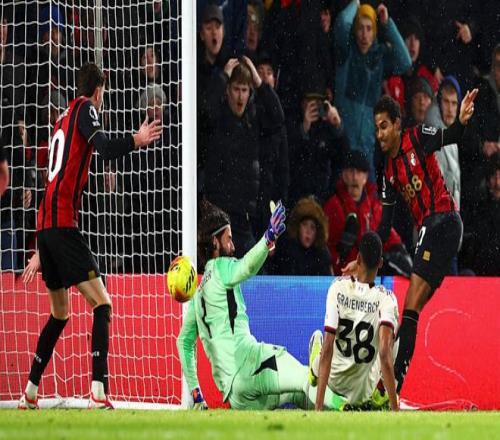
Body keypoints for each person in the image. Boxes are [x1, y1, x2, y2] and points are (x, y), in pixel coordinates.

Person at [17, 63, 162, 410]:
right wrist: (136, 140)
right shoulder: (86, 108)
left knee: (60, 314)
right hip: (62, 225)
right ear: (98, 91)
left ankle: (30, 393)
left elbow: (60, 174)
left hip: (47, 227)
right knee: (103, 303)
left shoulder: (62, 119)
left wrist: (42, 246)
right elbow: (106, 148)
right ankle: (98, 391)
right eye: (103, 93)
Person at [357, 90, 477, 397]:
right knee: (410, 313)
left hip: (444, 220)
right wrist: (363, 258)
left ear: (397, 125)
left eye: (384, 126)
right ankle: (389, 388)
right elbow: (384, 227)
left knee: (410, 304)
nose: (379, 134)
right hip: (432, 229)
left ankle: (390, 388)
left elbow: (452, 136)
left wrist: (462, 120)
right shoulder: (388, 171)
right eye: (376, 128)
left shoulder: (418, 136)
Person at [177, 200, 334, 410]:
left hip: (236, 396)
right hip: (248, 364)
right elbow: (246, 267)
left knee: (297, 393)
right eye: (229, 239)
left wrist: (197, 395)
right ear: (215, 242)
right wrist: (267, 238)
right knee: (304, 377)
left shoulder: (198, 295)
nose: (233, 246)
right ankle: (347, 406)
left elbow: (184, 342)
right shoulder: (222, 267)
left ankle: (336, 408)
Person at [313, 232, 399, 411]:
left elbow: (328, 347)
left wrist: (318, 408)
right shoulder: (387, 299)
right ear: (380, 263)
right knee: (394, 335)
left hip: (333, 381)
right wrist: (395, 409)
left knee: (320, 340)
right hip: (363, 390)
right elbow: (384, 353)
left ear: (358, 258)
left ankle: (314, 369)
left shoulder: (337, 287)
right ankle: (380, 391)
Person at [323, 150, 410, 276]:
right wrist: (343, 249)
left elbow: (390, 237)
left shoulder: (375, 206)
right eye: (350, 171)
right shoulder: (333, 206)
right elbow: (327, 250)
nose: (354, 177)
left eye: (359, 172)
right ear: (343, 175)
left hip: (371, 275)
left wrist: (397, 249)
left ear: (365, 177)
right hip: (344, 276)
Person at [269, 196, 332, 276]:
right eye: (304, 224)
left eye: (312, 227)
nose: (308, 231)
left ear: (317, 232)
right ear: (298, 227)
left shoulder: (322, 255)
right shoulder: (286, 249)